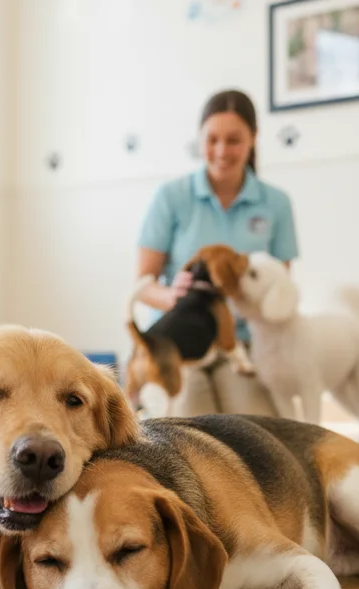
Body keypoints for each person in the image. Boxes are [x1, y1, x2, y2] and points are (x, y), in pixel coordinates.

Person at [134, 89, 299, 416]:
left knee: (253, 429)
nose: (222, 151)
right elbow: (143, 283)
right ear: (200, 139)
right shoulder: (171, 197)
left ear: (253, 139)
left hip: (241, 343)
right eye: (212, 139)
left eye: (234, 140)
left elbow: (278, 288)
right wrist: (170, 296)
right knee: (194, 429)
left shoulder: (275, 204)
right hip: (179, 343)